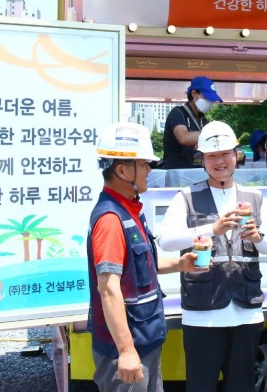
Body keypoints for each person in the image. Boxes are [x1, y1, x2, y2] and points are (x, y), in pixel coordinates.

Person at [157, 121, 267, 392]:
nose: (219, 161)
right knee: (201, 385)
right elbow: (166, 241)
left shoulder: (255, 197)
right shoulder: (185, 196)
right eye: (212, 156)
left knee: (242, 386)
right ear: (202, 159)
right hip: (202, 313)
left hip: (247, 312)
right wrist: (211, 229)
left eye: (225, 153)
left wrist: (257, 237)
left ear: (236, 155)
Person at [87, 121, 197, 392]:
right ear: (122, 170)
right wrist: (125, 350)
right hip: (124, 351)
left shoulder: (131, 211)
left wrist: (181, 264)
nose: (149, 170)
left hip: (144, 341)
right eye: (144, 164)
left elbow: (140, 266)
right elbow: (109, 288)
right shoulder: (111, 219)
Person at [162, 76, 223, 169]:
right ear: (194, 93)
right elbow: (183, 138)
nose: (210, 102)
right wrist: (214, 133)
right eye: (207, 97)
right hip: (176, 172)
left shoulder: (203, 120)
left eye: (211, 99)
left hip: (196, 171)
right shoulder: (177, 113)